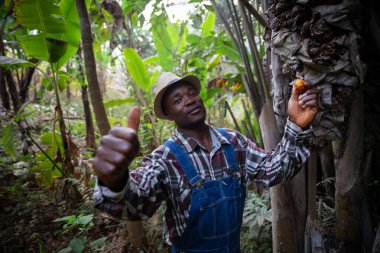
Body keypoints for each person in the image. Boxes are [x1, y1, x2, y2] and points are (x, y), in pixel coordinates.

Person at [93, 72, 319, 252]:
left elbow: (274, 170)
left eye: (191, 93)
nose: (189, 100)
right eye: (178, 100)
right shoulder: (165, 158)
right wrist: (114, 181)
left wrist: (297, 125)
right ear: (168, 114)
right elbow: (136, 203)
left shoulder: (233, 142)